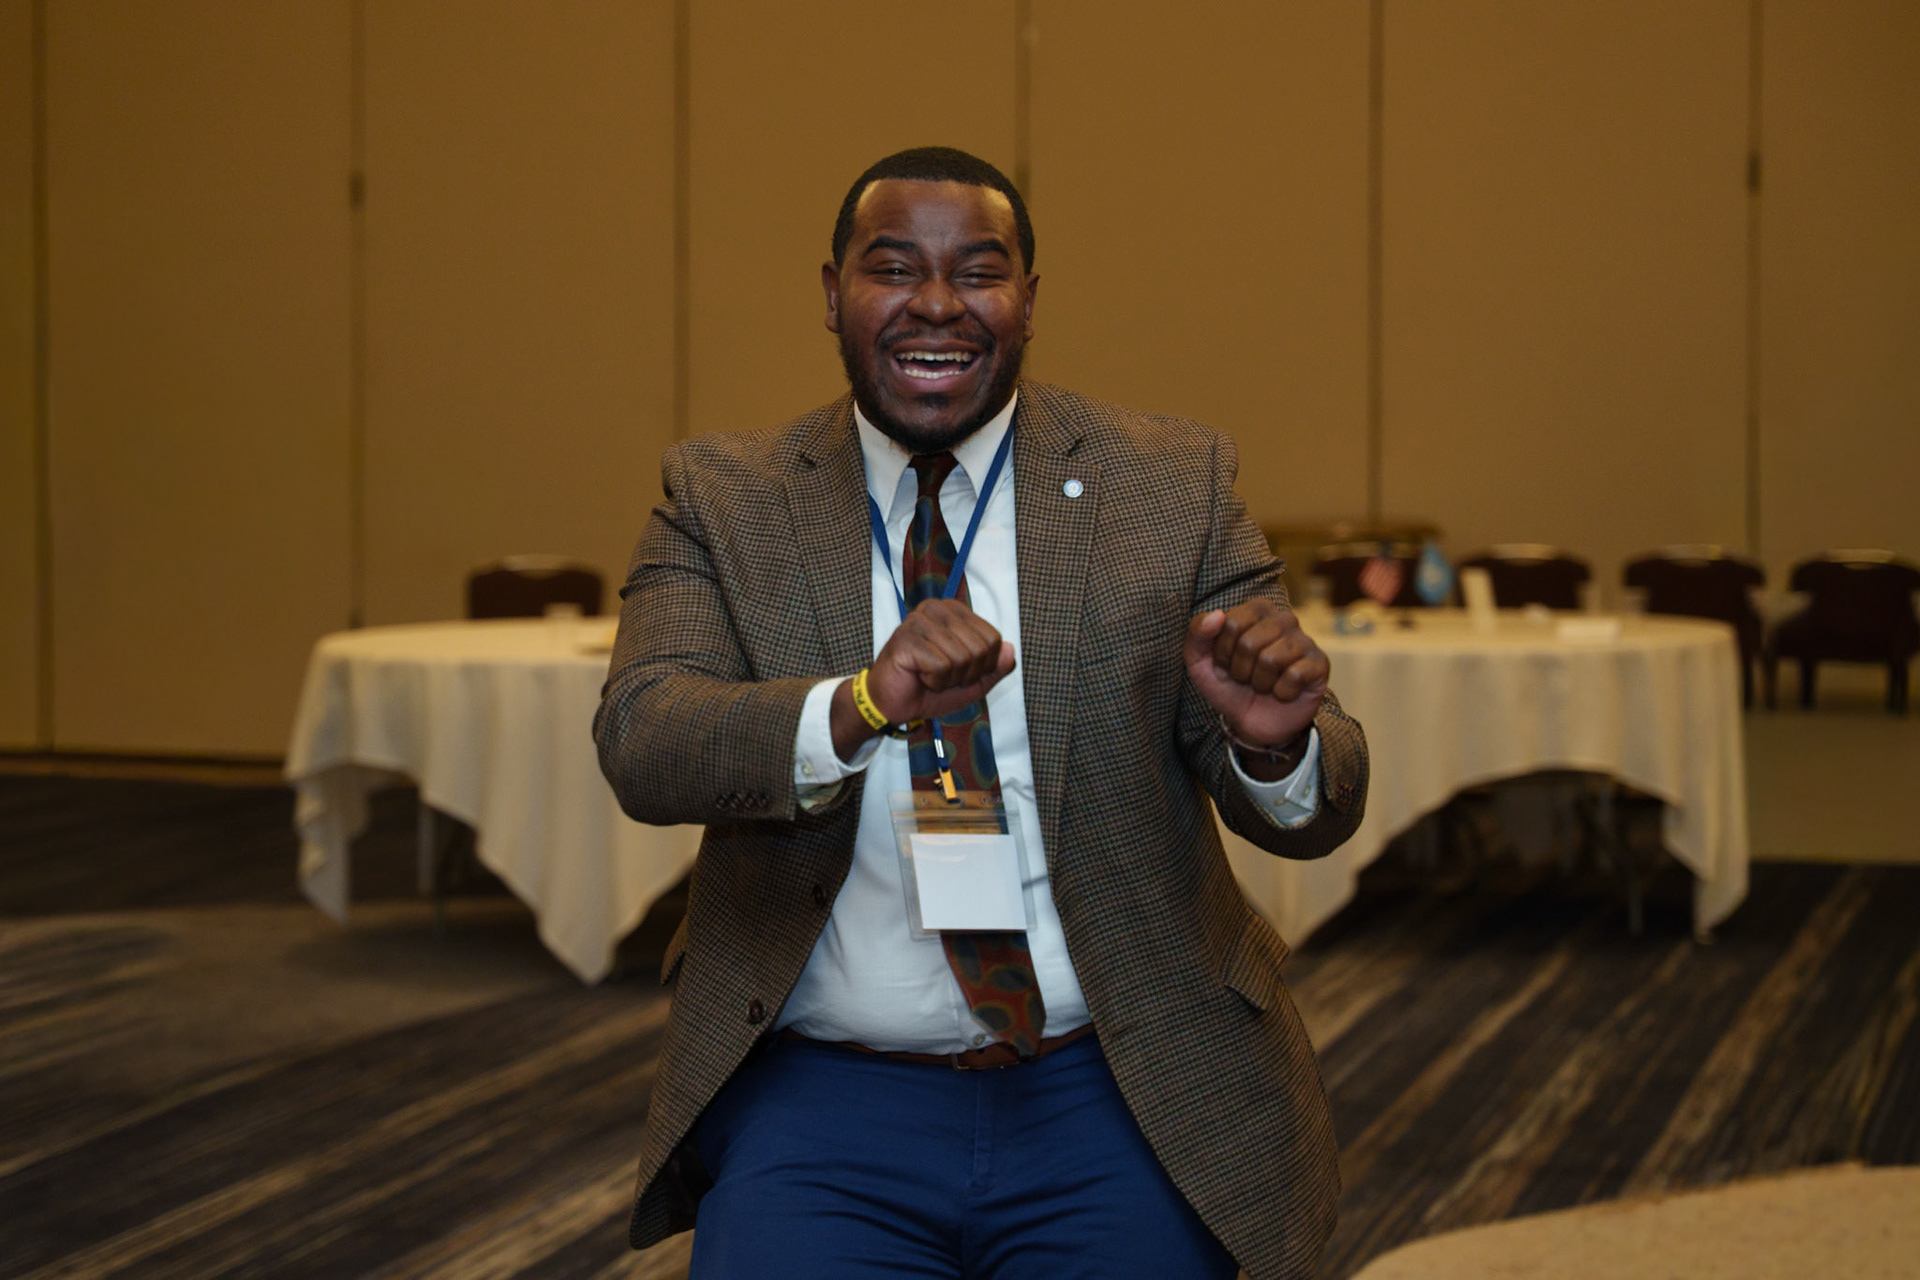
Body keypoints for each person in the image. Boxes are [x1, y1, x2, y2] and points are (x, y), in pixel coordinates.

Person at [594, 146, 1368, 1280]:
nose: (937, 305)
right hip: (826, 1099)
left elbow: (1316, 802)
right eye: (894, 268)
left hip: (1113, 1083)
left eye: (979, 271)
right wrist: (863, 705)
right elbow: (646, 737)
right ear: (833, 295)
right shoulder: (726, 497)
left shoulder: (1171, 485)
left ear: (1030, 302)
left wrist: (1274, 743)